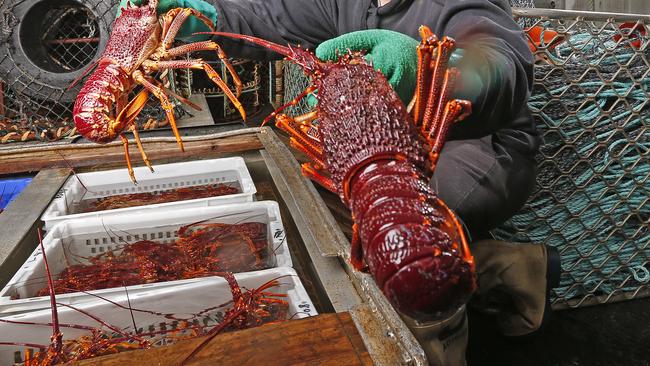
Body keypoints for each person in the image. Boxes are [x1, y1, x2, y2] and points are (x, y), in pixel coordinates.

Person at [117, 0, 561, 364]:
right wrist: (204, 20)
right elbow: (268, 19)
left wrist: (435, 69)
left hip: (473, 141)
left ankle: (433, 347)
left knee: (391, 219)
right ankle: (509, 268)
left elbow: (502, 64)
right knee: (307, 196)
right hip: (373, 136)